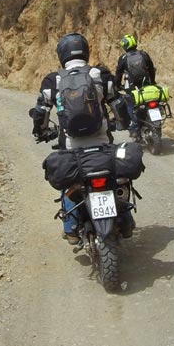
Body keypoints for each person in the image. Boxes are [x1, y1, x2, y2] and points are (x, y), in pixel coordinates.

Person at [30, 32, 123, 244]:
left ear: (61, 55)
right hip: (101, 143)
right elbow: (117, 104)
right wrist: (120, 122)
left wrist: (41, 131)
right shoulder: (100, 75)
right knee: (116, 174)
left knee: (69, 181)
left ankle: (71, 227)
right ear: (86, 50)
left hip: (72, 147)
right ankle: (124, 216)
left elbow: (40, 112)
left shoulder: (53, 80)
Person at [114, 34, 156, 138]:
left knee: (131, 106)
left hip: (131, 88)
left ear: (125, 46)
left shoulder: (123, 58)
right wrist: (152, 81)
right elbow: (151, 68)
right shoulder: (144, 54)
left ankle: (135, 127)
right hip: (146, 84)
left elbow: (118, 74)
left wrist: (117, 86)